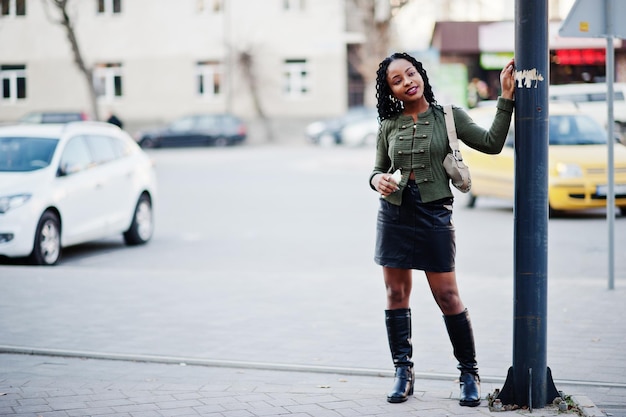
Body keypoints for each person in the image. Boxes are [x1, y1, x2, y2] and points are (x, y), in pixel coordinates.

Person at [369, 52, 515, 407]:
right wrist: (379, 181)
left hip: (434, 213)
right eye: (397, 80)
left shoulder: (448, 116)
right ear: (391, 91)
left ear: (420, 73)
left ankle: (469, 372)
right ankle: (403, 371)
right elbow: (376, 169)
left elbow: (492, 144)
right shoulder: (388, 124)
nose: (407, 81)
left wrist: (505, 99)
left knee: (447, 296)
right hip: (394, 215)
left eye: (410, 73)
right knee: (395, 294)